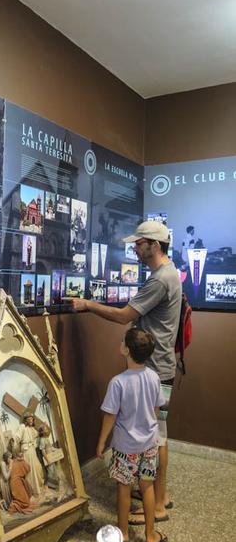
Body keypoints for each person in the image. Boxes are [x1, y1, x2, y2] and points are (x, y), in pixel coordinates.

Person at [65, 220, 181, 524]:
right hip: (160, 367)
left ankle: (159, 503)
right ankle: (159, 494)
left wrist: (87, 304)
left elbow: (124, 316)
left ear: (154, 246)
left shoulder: (160, 279)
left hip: (156, 370)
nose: (135, 248)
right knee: (157, 433)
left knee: (158, 435)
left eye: (139, 244)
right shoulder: (168, 273)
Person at [96, 328, 167, 542]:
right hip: (149, 444)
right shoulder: (155, 377)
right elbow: (156, 411)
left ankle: (124, 534)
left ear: (126, 350)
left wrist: (101, 442)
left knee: (124, 488)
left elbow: (110, 415)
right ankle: (150, 535)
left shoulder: (118, 382)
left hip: (124, 447)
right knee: (147, 487)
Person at [14, 412, 44, 496]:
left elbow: (37, 434)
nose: (31, 420)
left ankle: (38, 488)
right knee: (30, 470)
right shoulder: (22, 427)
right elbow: (17, 438)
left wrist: (42, 429)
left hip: (32, 450)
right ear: (25, 420)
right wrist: (17, 451)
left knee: (38, 468)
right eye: (29, 418)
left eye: (32, 418)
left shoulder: (32, 429)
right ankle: (32, 491)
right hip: (26, 451)